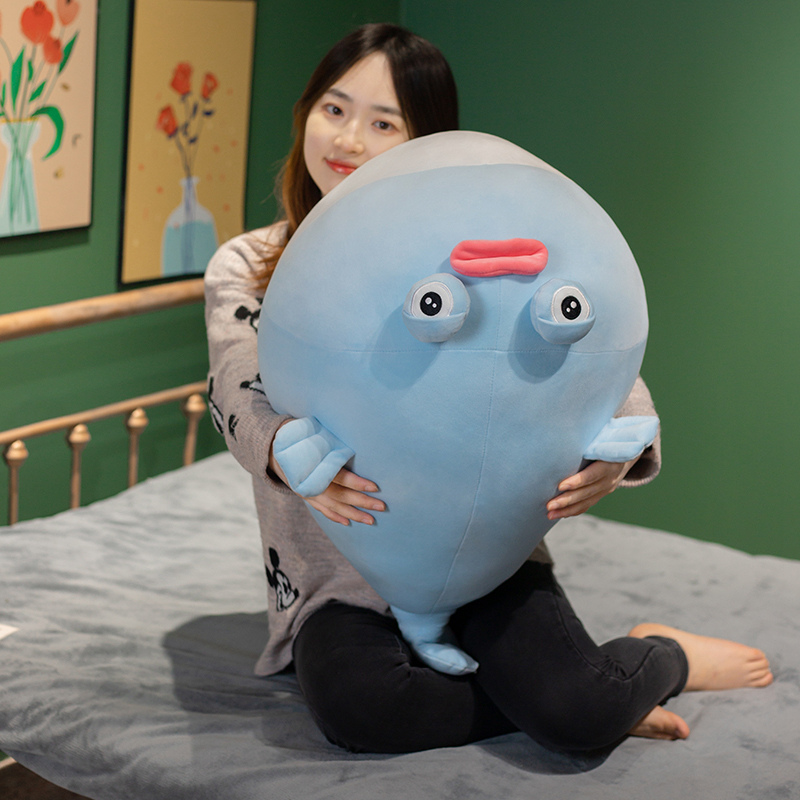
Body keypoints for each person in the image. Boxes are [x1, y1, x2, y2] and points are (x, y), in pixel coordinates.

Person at [205, 23, 772, 754]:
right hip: (333, 576)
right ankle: (582, 692)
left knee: (576, 717)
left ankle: (665, 655)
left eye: (385, 123)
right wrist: (282, 445)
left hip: (487, 550)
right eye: (334, 108)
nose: (348, 139)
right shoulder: (249, 262)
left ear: (426, 143)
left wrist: (623, 446)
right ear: (305, 111)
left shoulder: (469, 249)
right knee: (364, 713)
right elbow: (236, 384)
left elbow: (585, 344)